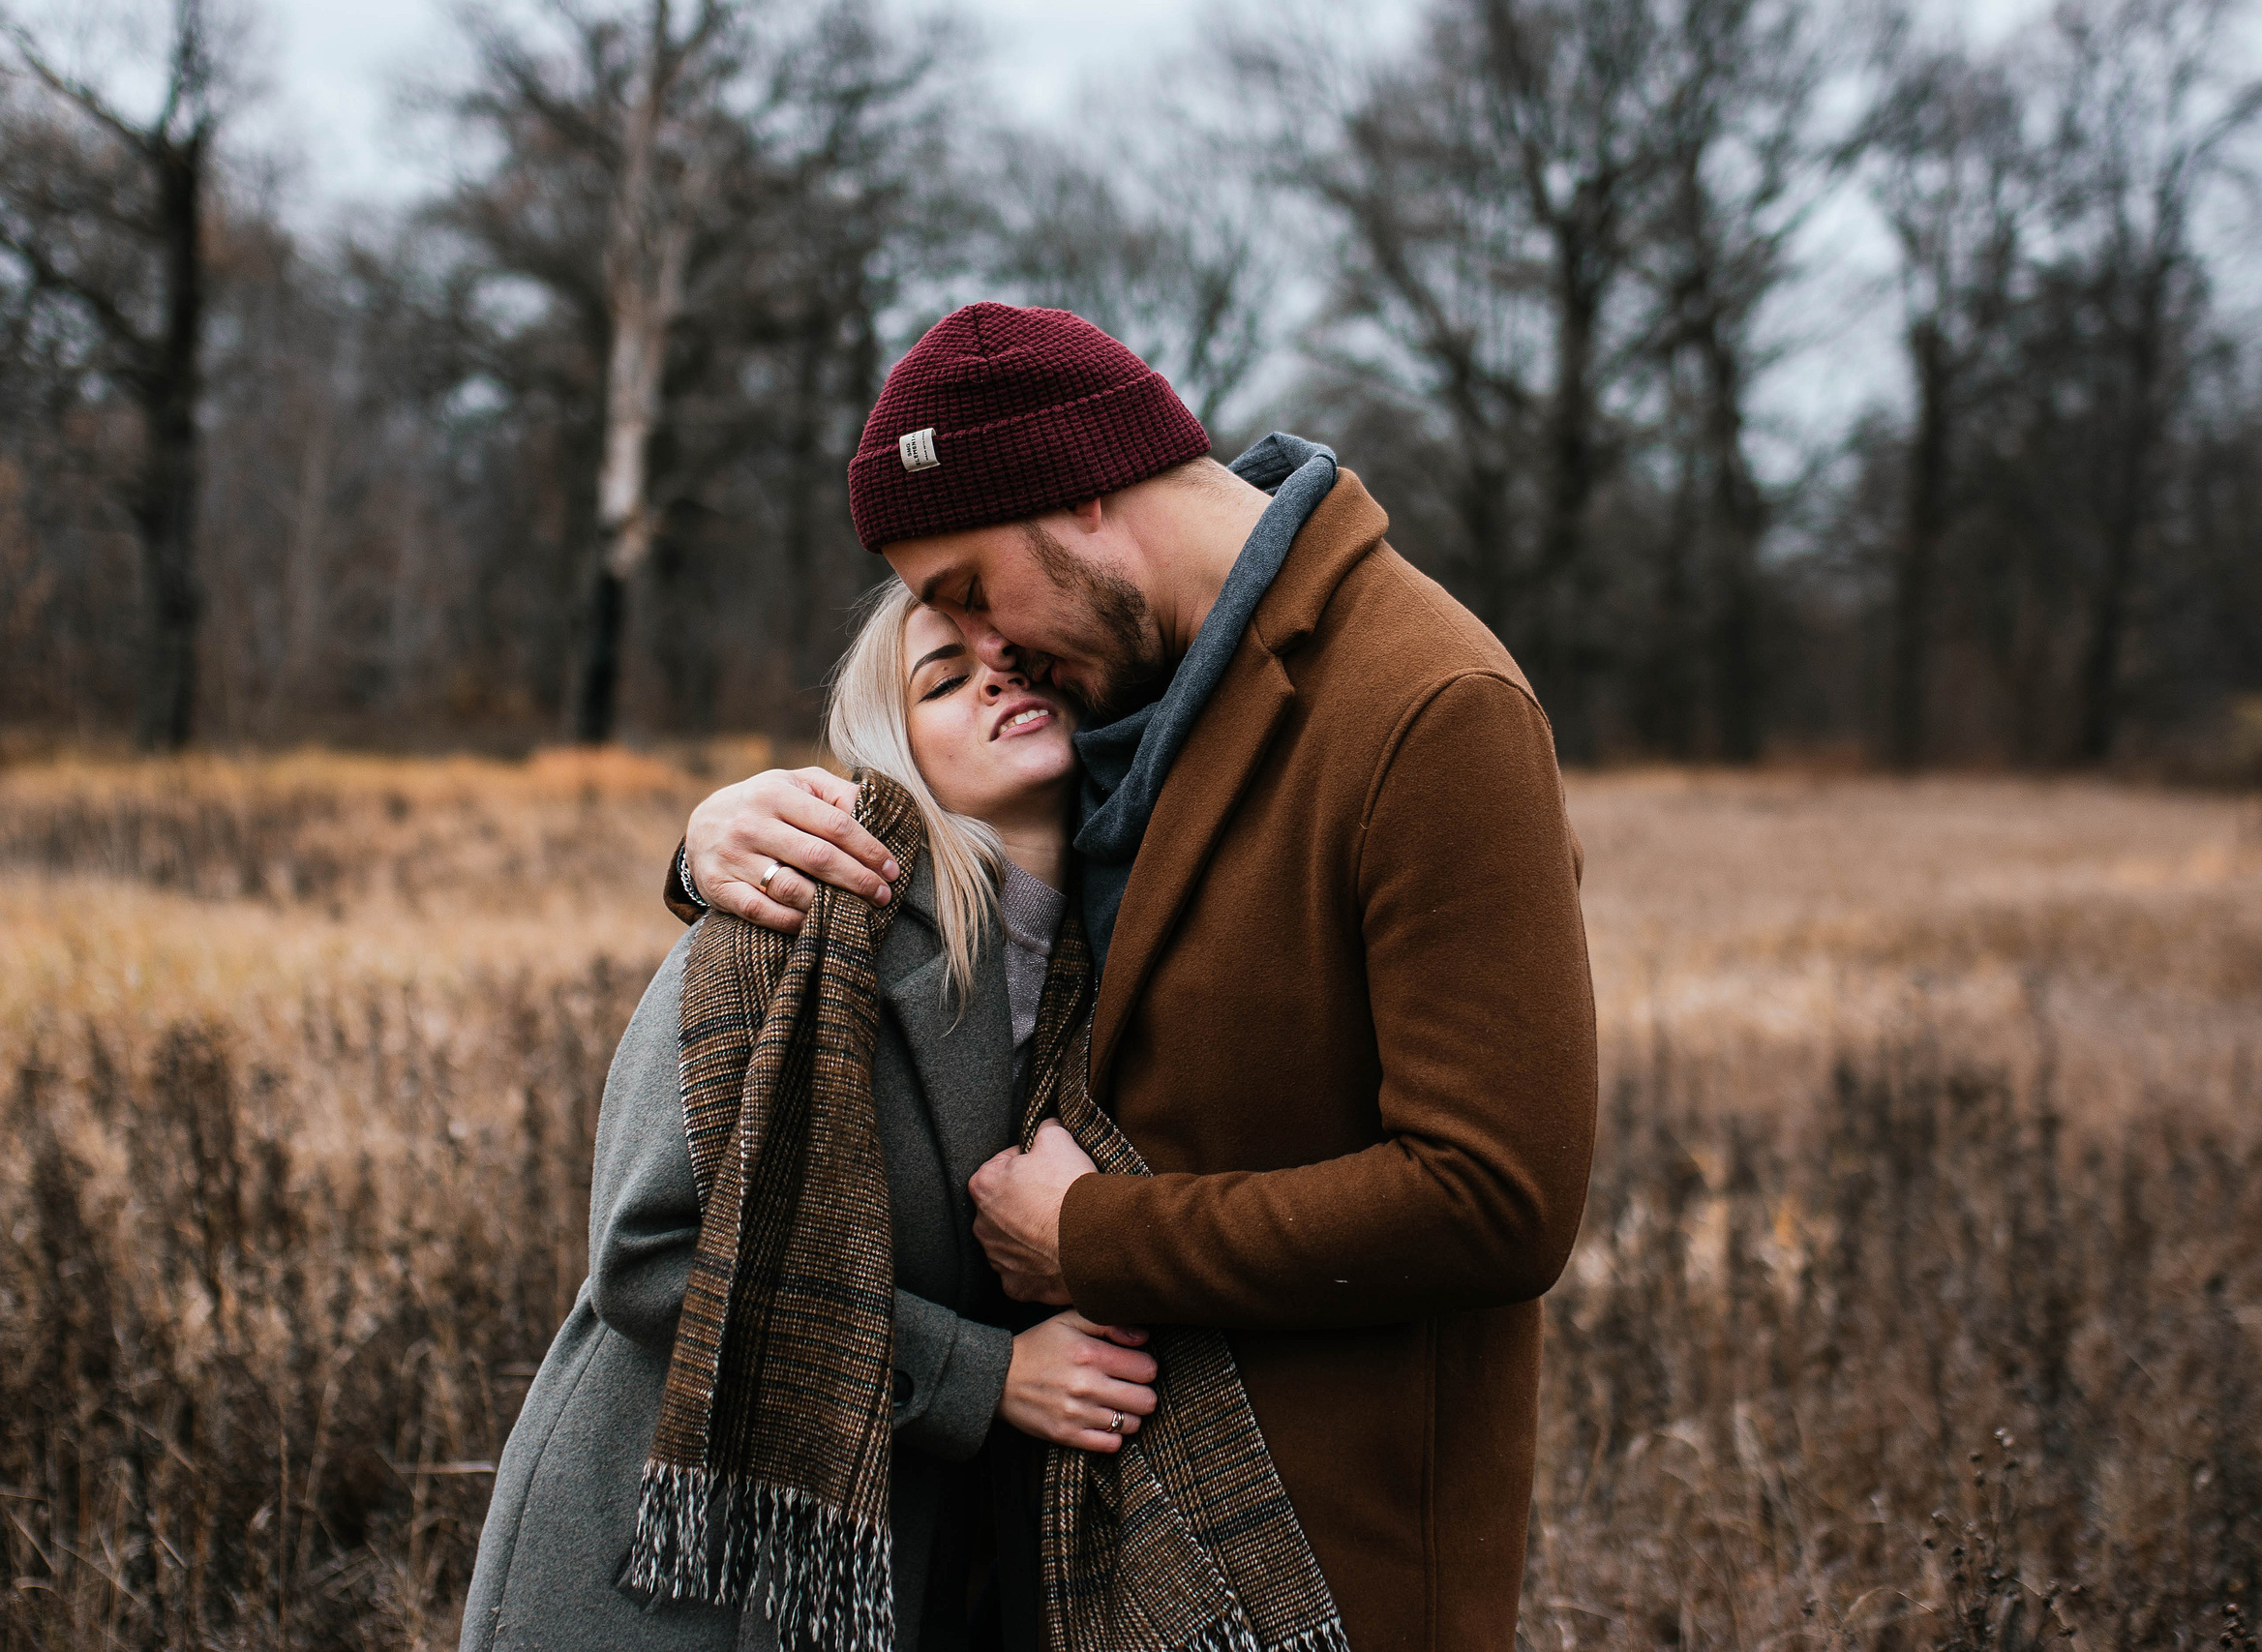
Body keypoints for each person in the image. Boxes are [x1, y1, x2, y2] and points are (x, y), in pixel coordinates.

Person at [673, 302, 1599, 1652]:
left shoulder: (1433, 707)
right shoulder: (1129, 685)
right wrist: (720, 849)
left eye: (973, 592)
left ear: (1086, 495)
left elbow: (1498, 1197)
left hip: (1313, 1563)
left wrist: (1093, 1236)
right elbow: (960, 863)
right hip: (1059, 1552)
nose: (988, 653)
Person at [462, 580, 1161, 1652]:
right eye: (942, 676)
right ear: (897, 756)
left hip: (892, 1574)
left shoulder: (1122, 963)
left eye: (1018, 650)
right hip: (665, 1568)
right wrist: (988, 1377)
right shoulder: (790, 916)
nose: (998, 672)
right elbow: (649, 1255)